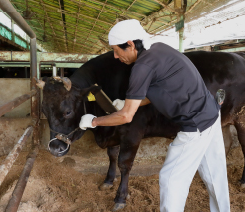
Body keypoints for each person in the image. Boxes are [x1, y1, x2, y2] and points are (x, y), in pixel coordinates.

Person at [78, 19, 229, 212]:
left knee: (171, 179)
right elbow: (156, 90)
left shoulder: (142, 67)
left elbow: (126, 117)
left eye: (117, 51)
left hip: (195, 125)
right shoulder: (158, 49)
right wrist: (128, 102)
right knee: (215, 175)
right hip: (211, 113)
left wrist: (93, 121)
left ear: (131, 44)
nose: (115, 57)